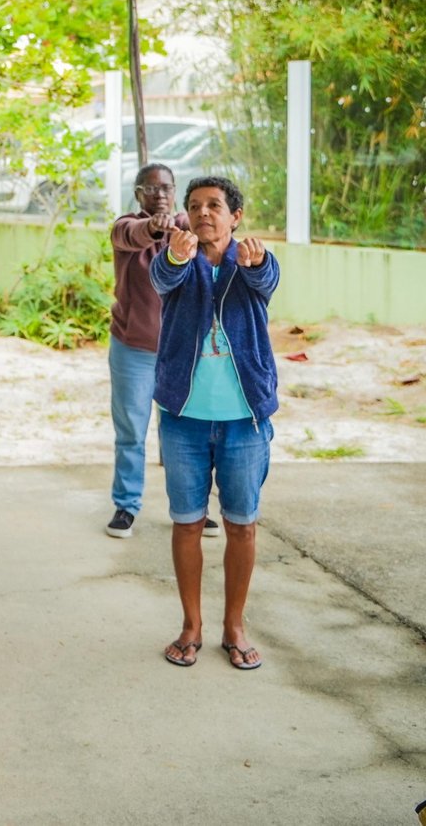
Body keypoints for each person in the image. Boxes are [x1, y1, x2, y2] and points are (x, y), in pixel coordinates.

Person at [152, 176, 279, 670]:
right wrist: (177, 259)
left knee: (241, 525)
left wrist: (257, 263)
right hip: (183, 419)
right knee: (186, 523)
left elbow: (266, 281)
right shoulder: (177, 258)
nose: (203, 213)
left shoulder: (249, 257)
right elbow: (161, 280)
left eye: (215, 205)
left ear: (235, 216)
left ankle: (234, 625)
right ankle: (191, 625)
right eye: (195, 205)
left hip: (244, 420)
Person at [104, 164, 220, 540]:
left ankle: (193, 510)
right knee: (131, 431)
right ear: (138, 194)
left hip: (180, 352)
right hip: (133, 350)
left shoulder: (190, 226)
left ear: (176, 191)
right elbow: (135, 233)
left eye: (166, 187)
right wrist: (155, 227)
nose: (159, 194)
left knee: (184, 434)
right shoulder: (127, 226)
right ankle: (126, 505)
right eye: (150, 189)